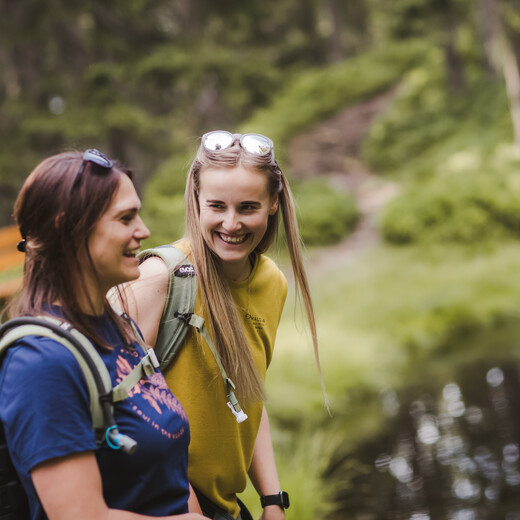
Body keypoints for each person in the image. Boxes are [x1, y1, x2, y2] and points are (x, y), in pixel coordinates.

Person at [117, 131, 326, 520]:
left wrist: (271, 499)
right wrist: (187, 507)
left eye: (248, 207)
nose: (232, 223)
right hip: (166, 505)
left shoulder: (272, 283)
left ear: (273, 203)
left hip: (226, 506)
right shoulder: (159, 278)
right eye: (217, 206)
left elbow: (249, 396)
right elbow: (122, 411)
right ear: (196, 201)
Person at [0, 150, 206, 520]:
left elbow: (167, 470)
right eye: (126, 218)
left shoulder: (118, 326)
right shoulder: (41, 363)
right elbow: (79, 515)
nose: (143, 231)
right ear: (68, 229)